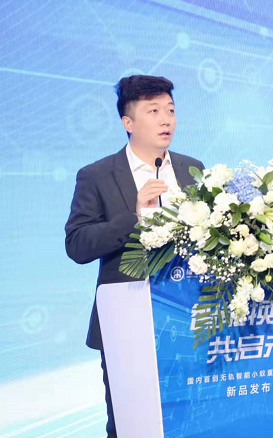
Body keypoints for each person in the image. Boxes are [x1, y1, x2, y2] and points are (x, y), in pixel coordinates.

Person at [64, 75, 204, 437]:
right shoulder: (97, 176)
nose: (166, 120)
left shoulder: (193, 169)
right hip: (128, 324)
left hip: (191, 320)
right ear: (128, 122)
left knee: (195, 420)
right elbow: (77, 244)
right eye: (153, 111)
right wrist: (135, 217)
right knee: (131, 425)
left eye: (170, 110)